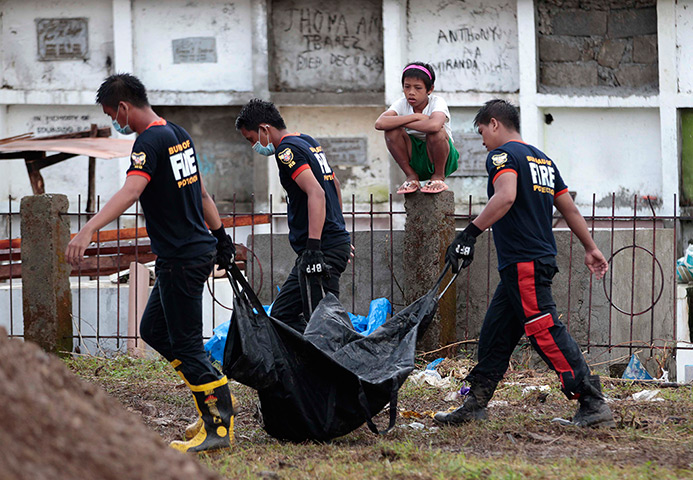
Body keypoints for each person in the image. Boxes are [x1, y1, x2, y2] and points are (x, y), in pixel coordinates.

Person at [65, 73, 237, 453]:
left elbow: (132, 188)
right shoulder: (178, 133)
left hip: (182, 258)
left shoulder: (148, 142)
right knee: (155, 331)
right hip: (189, 252)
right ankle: (212, 395)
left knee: (187, 345)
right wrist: (221, 235)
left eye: (112, 114)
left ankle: (218, 425)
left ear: (123, 107)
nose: (115, 121)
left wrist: (88, 229)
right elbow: (202, 191)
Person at [435, 99, 615, 428]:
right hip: (530, 261)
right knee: (495, 334)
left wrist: (469, 233)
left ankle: (591, 400)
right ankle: (475, 402)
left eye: (481, 133)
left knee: (543, 329)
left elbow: (504, 196)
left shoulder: (502, 156)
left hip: (524, 262)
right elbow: (569, 208)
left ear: (494, 124)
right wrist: (591, 247)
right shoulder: (542, 160)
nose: (483, 141)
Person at [235, 98, 351, 334]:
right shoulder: (307, 141)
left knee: (324, 325)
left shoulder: (286, 151)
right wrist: (338, 232)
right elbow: (334, 184)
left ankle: (343, 365)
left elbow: (317, 193)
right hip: (325, 244)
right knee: (283, 314)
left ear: (265, 129)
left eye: (251, 139)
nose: (253, 146)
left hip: (320, 250)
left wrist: (315, 247)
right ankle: (308, 361)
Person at [375, 61, 459, 194]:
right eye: (407, 87)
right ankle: (411, 176)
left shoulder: (437, 102)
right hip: (415, 158)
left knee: (435, 132)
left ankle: (438, 177)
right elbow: (380, 123)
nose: (411, 92)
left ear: (429, 89)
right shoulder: (401, 104)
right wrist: (415, 117)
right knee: (391, 131)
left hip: (441, 158)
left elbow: (434, 125)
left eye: (418, 88)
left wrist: (399, 121)